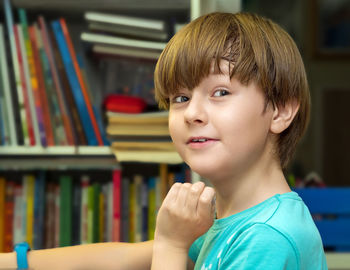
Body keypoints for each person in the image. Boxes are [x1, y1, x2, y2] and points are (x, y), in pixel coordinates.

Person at [0, 12, 327, 270]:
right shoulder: (227, 215)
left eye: (221, 92)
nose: (192, 113)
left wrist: (172, 245)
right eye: (181, 97)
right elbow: (125, 259)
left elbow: (162, 251)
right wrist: (15, 262)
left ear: (281, 111)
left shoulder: (265, 237)